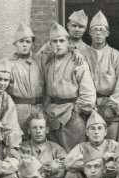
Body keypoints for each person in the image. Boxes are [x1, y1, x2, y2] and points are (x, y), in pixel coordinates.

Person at [44, 21, 96, 152]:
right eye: (55, 41)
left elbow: (88, 92)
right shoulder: (48, 61)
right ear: (50, 44)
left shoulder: (78, 62)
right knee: (55, 153)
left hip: (71, 113)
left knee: (75, 153)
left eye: (62, 41)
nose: (58, 44)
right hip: (52, 114)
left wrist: (76, 111)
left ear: (68, 42)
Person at [81, 10, 119, 141]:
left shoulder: (115, 55)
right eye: (95, 30)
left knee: (111, 144)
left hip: (109, 106)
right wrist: (87, 105)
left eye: (102, 30)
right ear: (90, 33)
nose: (98, 33)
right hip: (89, 106)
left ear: (107, 33)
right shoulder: (82, 55)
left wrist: (112, 107)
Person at [64, 111, 118, 178]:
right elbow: (68, 163)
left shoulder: (113, 145)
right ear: (87, 133)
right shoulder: (81, 147)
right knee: (71, 174)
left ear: (105, 132)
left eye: (99, 128)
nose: (96, 132)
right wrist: (103, 159)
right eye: (93, 128)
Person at [19, 112, 66, 178]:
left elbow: (66, 164)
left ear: (47, 130)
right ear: (29, 130)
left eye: (41, 127)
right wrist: (39, 167)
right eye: (34, 128)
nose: (38, 131)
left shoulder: (56, 148)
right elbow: (18, 166)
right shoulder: (22, 148)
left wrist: (55, 168)